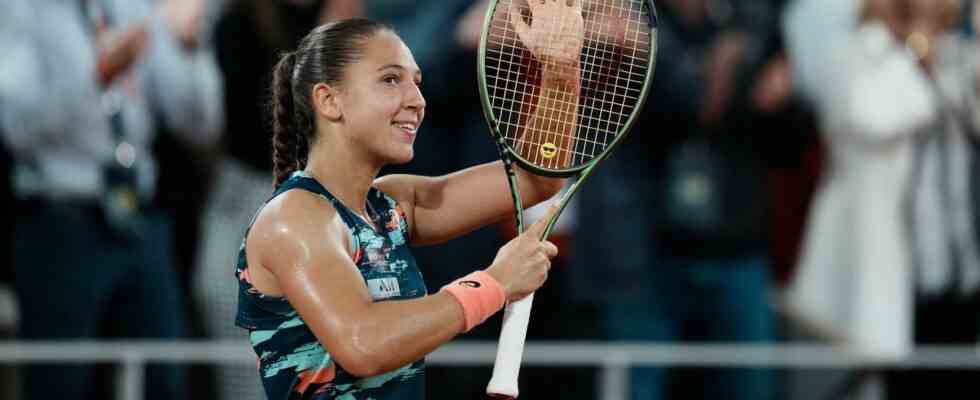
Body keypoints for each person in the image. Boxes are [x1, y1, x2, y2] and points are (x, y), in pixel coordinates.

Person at [235, 6, 584, 398]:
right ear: (329, 101)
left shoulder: (393, 205)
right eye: (390, 80)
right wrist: (494, 283)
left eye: (416, 83)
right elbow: (363, 344)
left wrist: (559, 70)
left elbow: (535, 177)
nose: (417, 100)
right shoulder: (293, 216)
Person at [0, 0, 223, 399]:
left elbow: (200, 124)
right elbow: (16, 127)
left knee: (165, 379)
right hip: (60, 217)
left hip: (141, 212)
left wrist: (191, 46)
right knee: (61, 383)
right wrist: (99, 74)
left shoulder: (133, 5)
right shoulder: (20, 10)